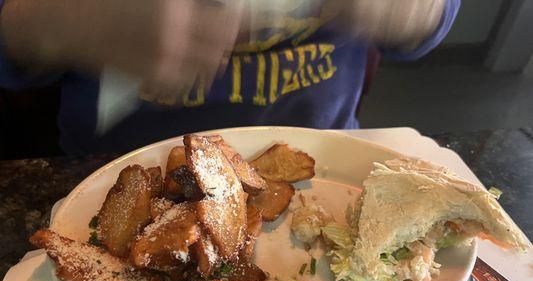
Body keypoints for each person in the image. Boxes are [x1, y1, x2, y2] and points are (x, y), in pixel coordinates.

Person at [0, 0, 460, 155]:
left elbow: (430, 22)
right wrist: (64, 19)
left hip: (323, 162)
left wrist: (418, 10)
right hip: (115, 170)